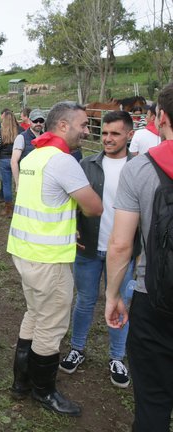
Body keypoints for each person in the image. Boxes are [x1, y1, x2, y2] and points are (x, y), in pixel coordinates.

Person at [7, 101, 102, 417]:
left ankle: (21, 382)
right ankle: (43, 391)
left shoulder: (34, 156)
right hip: (48, 259)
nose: (87, 131)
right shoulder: (63, 161)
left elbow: (46, 201)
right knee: (51, 325)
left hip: (25, 251)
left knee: (34, 313)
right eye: (84, 125)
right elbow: (93, 206)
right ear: (63, 125)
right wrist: (79, 213)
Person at [105, 83, 173, 431]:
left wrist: (113, 295)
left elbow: (121, 244)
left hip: (155, 297)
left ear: (160, 117)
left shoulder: (140, 170)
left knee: (153, 402)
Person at [59, 111, 138, 389]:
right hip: (88, 249)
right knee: (84, 301)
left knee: (119, 304)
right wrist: (75, 229)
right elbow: (74, 203)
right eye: (104, 133)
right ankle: (77, 349)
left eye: (115, 133)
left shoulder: (139, 168)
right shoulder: (86, 165)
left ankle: (117, 357)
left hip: (123, 253)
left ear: (130, 135)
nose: (107, 138)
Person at [0, 110, 24, 217]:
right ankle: (22, 206)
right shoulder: (21, 131)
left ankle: (8, 208)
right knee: (20, 182)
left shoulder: (0, 131)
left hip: (4, 160)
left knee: (7, 184)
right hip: (18, 159)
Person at [11, 109, 45, 187]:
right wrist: (18, 183)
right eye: (35, 121)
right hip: (27, 181)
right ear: (30, 121)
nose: (38, 123)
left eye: (41, 120)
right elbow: (14, 162)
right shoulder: (21, 137)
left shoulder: (47, 138)